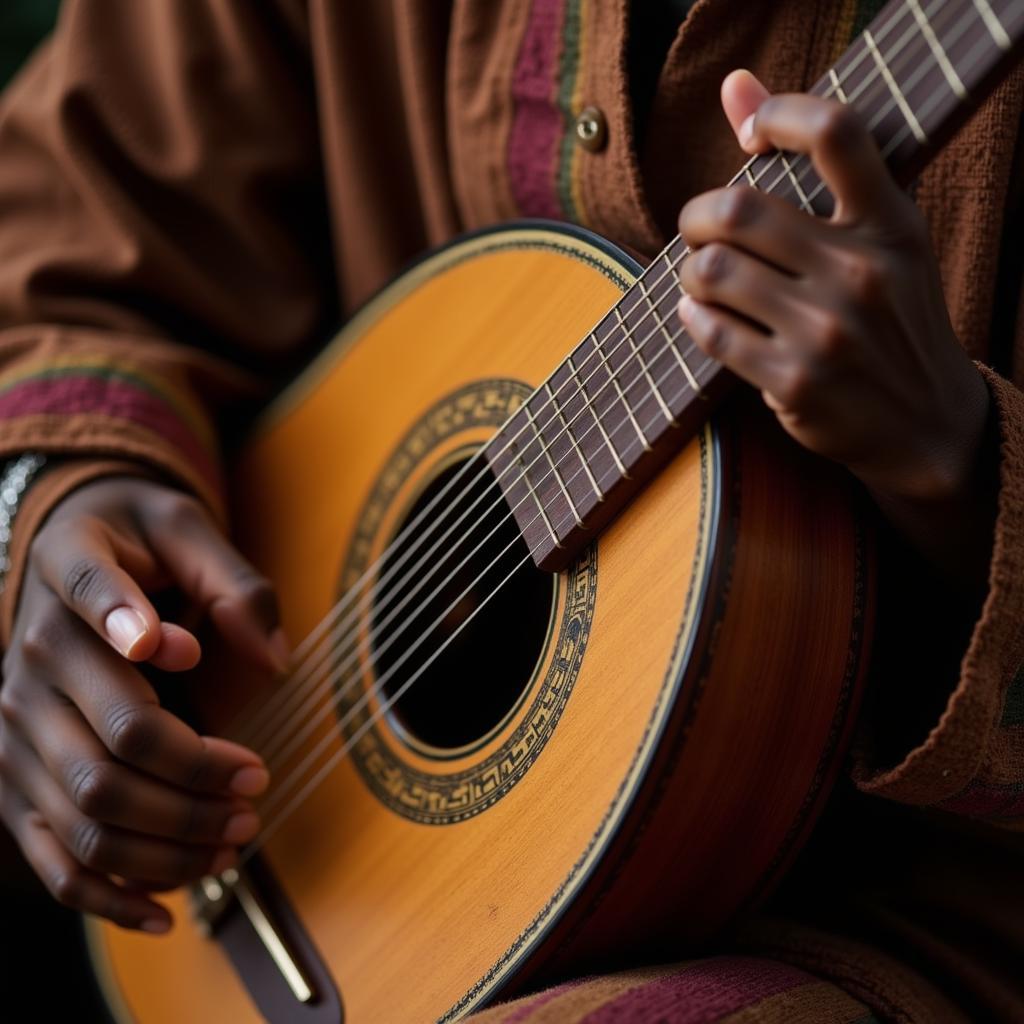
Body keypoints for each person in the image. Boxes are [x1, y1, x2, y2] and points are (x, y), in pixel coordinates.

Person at [0, 1, 1020, 1020]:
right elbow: (75, 214)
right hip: (323, 865)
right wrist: (56, 492)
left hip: (917, 932)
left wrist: (950, 456)